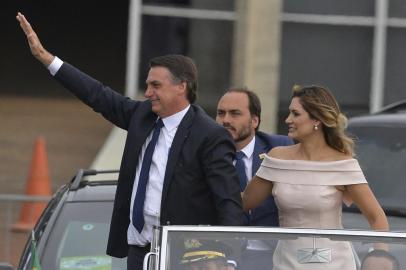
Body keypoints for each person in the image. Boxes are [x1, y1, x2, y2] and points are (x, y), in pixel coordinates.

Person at [16, 12, 244, 270]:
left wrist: (227, 258)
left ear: (182, 86)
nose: (148, 93)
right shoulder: (141, 116)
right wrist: (48, 60)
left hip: (187, 257)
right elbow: (96, 94)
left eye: (156, 85)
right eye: (148, 85)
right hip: (139, 251)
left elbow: (228, 201)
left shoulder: (210, 135)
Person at [242, 85, 389, 269]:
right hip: (287, 263)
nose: (288, 119)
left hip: (335, 264)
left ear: (316, 120)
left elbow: (377, 217)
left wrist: (379, 255)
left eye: (295, 114)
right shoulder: (277, 158)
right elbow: (243, 202)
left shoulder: (342, 164)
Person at [216, 88, 292, 270]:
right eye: (220, 113)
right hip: (224, 255)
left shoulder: (280, 148)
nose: (225, 120)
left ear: (255, 121)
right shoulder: (207, 154)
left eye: (235, 114)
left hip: (274, 253)